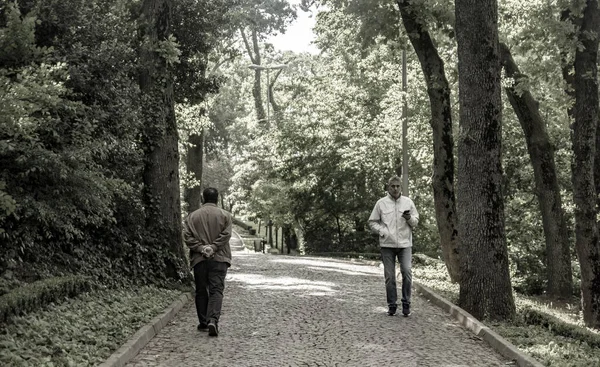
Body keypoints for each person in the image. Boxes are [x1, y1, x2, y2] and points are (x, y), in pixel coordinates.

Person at [183, 187, 232, 336]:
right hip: (220, 258)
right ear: (217, 199)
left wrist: (201, 248)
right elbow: (226, 234)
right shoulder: (225, 215)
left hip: (199, 259)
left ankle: (203, 322)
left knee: (201, 290)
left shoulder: (192, 217)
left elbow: (187, 236)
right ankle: (213, 320)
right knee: (216, 290)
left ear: (203, 199)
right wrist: (214, 247)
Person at [368, 175, 419, 317]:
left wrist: (409, 218)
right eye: (393, 186)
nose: (395, 188)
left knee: (407, 272)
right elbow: (372, 221)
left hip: (405, 244)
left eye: (398, 186)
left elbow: (415, 222)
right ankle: (392, 305)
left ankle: (406, 303)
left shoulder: (408, 202)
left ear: (400, 187)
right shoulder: (381, 203)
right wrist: (382, 231)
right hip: (387, 244)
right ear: (388, 187)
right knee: (390, 276)